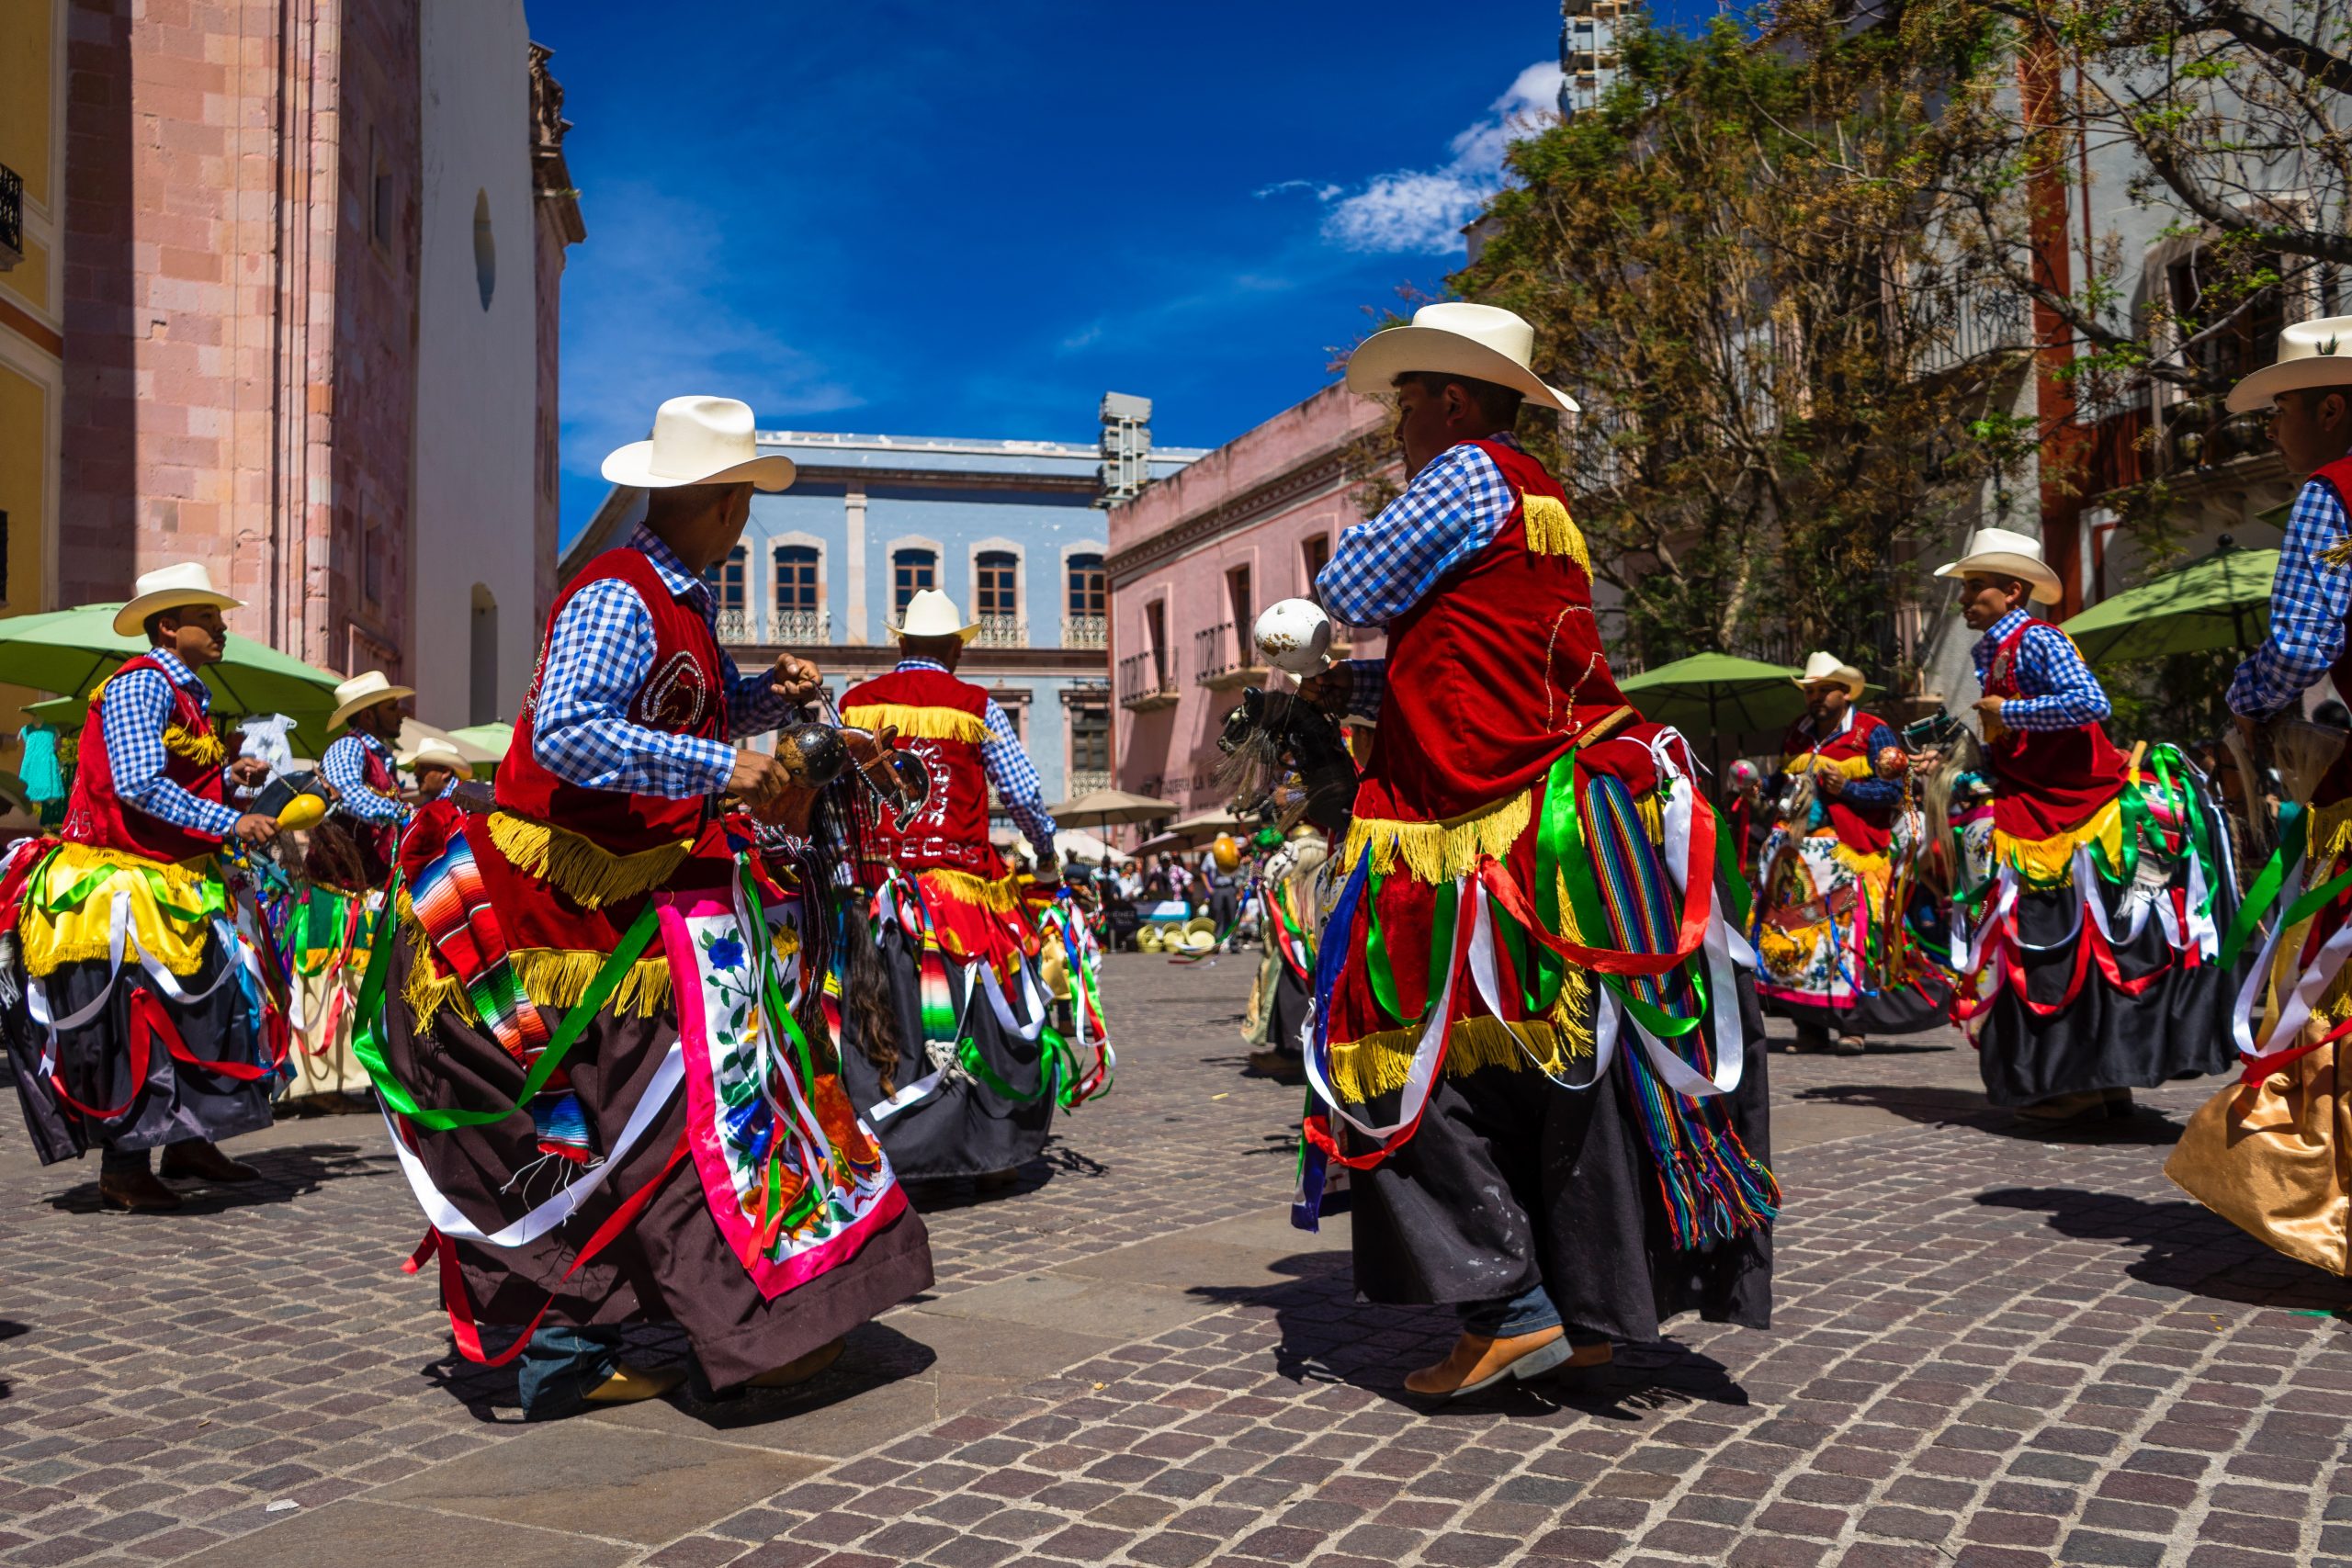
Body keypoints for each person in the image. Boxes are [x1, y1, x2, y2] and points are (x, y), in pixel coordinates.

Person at [370, 396, 932, 1416]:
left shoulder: (680, 599)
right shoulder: (618, 594)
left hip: (636, 894)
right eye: (741, 504)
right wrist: (727, 765)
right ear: (718, 504)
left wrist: (764, 694)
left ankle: (701, 1315)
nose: (742, 524)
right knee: (638, 1113)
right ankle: (607, 1339)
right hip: (564, 909)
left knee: (674, 1107)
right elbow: (570, 734)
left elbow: (677, 709)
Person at [1296, 302, 1774, 1399]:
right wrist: (1358, 687)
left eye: (1406, 402)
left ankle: (1507, 1306)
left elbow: (1348, 588)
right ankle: (1583, 1311)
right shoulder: (1536, 499)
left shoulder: (1467, 473)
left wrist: (1320, 635)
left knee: (1390, 1047)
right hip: (1554, 808)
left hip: (1480, 833)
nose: (1398, 430)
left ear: (1454, 401)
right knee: (1543, 1074)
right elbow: (1483, 661)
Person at [0, 564, 280, 1211]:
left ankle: (188, 1141)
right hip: (120, 882)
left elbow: (174, 779)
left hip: (171, 878)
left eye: (218, 618)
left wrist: (231, 777)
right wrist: (233, 817)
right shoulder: (140, 686)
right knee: (140, 1016)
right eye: (207, 619)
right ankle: (124, 1167)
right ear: (167, 626)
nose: (222, 629)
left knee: (209, 1012)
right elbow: (138, 785)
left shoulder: (189, 697)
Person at [1938, 527, 2236, 1124]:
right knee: (2071, 940)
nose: (1966, 599)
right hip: (2036, 808)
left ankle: (2082, 1084)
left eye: (1976, 588)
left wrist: (2012, 710)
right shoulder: (1985, 654)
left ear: (2012, 591)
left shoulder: (2041, 638)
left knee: (2076, 939)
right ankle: (2095, 1081)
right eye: (1966, 588)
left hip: (2082, 814)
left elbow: (2091, 702)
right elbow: (2014, 736)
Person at [2172, 318, 2352, 1272]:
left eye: (2280, 414)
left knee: (2329, 987)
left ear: (2330, 408)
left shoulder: (2331, 495)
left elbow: (2303, 643)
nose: (2272, 437)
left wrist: (2242, 703)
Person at [833, 587, 1095, 1192]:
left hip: (876, 899)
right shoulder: (977, 706)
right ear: (955, 648)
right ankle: (981, 1152)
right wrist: (1048, 850)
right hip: (958, 904)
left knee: (887, 1026)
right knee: (973, 1025)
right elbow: (1024, 794)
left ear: (899, 642)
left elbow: (837, 796)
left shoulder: (854, 705)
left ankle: (894, 1153)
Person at [1751, 653, 1946, 1054]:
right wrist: (1764, 789)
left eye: (1824, 690)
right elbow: (1785, 780)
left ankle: (1852, 1027)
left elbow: (1896, 790)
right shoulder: (1798, 734)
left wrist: (1849, 790)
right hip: (1800, 856)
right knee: (1800, 936)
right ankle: (1808, 1028)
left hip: (1850, 853)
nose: (1816, 697)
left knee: (1849, 941)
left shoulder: (1873, 733)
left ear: (1846, 692)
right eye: (1810, 691)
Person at [284, 671, 415, 1107]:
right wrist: (403, 812)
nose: (399, 713)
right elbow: (349, 794)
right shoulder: (348, 748)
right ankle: (319, 1085)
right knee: (326, 979)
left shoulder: (383, 759)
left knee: (359, 980)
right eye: (391, 706)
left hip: (362, 893)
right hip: (333, 893)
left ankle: (350, 1078)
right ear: (368, 712)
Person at [401, 735, 474, 803]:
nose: (416, 773)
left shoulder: (465, 802)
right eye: (416, 767)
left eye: (423, 768)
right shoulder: (433, 800)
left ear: (445, 772)